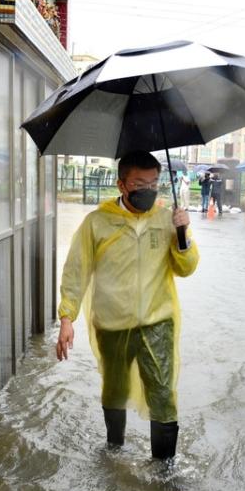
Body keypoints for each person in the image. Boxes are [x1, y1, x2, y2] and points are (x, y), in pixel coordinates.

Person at [57, 150, 199, 461]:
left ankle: (164, 467)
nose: (148, 190)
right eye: (139, 183)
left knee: (162, 392)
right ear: (122, 185)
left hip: (157, 321)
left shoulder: (166, 220)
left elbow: (186, 269)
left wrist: (183, 233)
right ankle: (113, 450)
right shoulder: (97, 223)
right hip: (111, 324)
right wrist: (67, 318)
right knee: (115, 389)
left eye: (154, 183)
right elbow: (75, 271)